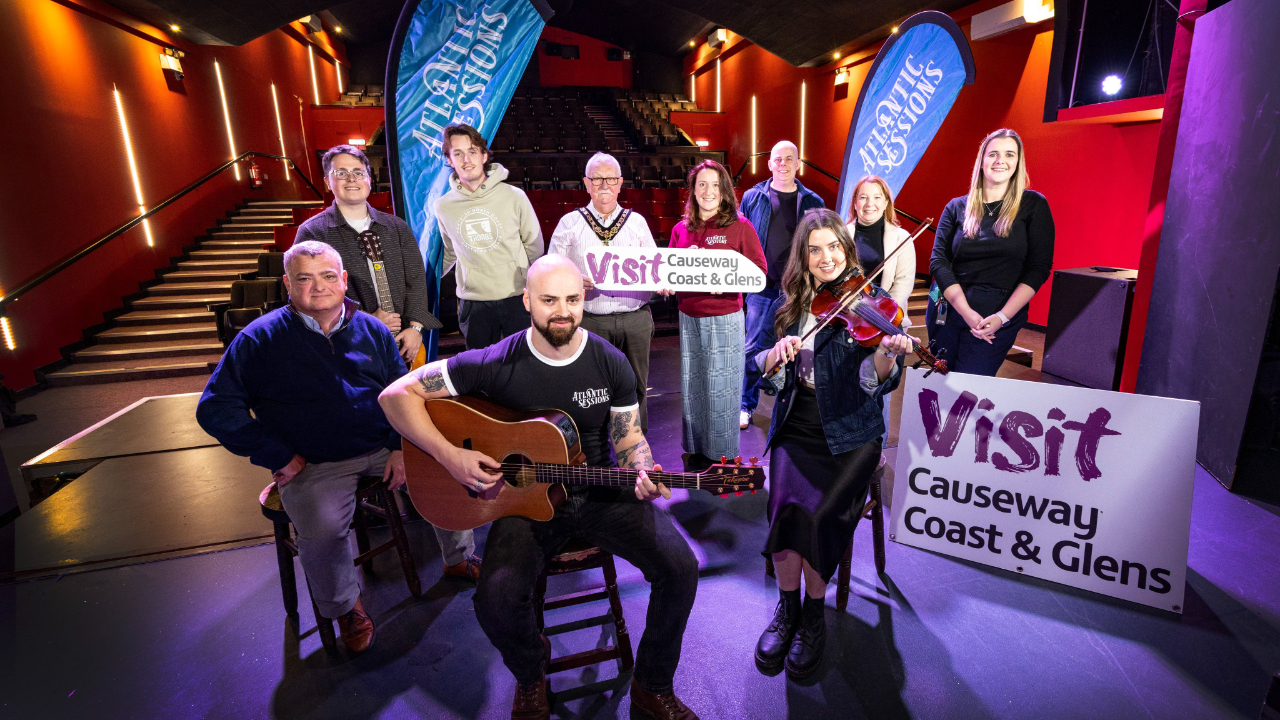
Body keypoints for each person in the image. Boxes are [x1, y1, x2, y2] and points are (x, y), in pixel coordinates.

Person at [379, 255, 701, 720]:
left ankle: (651, 686)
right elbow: (394, 395)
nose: (562, 312)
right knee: (494, 601)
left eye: (572, 299)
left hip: (598, 490)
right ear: (527, 300)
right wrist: (450, 456)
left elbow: (629, 438)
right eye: (549, 300)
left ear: (584, 298)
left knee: (681, 569)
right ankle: (532, 672)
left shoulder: (610, 362)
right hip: (523, 502)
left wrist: (643, 471)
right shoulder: (495, 360)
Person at [195, 241, 481, 654]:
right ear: (287, 284)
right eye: (305, 278)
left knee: (448, 472)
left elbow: (403, 392)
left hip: (381, 444)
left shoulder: (371, 329)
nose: (319, 286)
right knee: (324, 529)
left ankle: (458, 557)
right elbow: (215, 409)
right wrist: (275, 454)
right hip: (315, 461)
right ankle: (345, 607)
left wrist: (399, 445)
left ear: (344, 280)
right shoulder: (259, 339)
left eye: (328, 276)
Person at [751, 209, 911, 680]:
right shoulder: (789, 305)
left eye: (834, 247)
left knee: (819, 514)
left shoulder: (875, 305)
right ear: (803, 256)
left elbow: (872, 383)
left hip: (851, 431)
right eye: (815, 249)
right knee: (786, 506)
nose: (826, 258)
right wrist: (775, 356)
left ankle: (813, 616)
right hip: (797, 426)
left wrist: (886, 355)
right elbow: (757, 363)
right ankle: (787, 610)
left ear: (847, 248)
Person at [295, 144, 439, 365]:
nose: (351, 179)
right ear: (327, 182)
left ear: (369, 180)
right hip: (346, 344)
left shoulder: (396, 227)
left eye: (358, 172)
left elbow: (416, 281)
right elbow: (307, 295)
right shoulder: (313, 232)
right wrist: (364, 320)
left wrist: (416, 328)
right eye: (341, 173)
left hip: (403, 341)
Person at [927, 128, 1054, 376]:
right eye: (993, 154)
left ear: (1018, 162)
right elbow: (938, 262)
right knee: (941, 378)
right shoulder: (956, 206)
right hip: (946, 305)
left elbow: (1039, 268)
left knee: (970, 386)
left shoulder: (1034, 205)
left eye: (1009, 154)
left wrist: (1002, 317)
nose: (1000, 161)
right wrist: (966, 312)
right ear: (982, 160)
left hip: (997, 313)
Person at [668, 160, 768, 472]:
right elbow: (669, 270)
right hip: (688, 317)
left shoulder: (740, 226)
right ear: (693, 190)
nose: (708, 191)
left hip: (724, 317)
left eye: (715, 185)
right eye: (702, 185)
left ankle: (721, 455)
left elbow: (759, 271)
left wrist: (726, 282)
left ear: (724, 191)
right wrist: (666, 283)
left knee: (722, 387)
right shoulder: (680, 230)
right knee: (693, 384)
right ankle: (697, 446)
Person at [548, 152, 657, 433]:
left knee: (637, 386)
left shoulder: (637, 222)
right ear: (586, 183)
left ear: (620, 183)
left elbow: (655, 268)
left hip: (635, 319)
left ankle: (636, 445)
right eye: (597, 179)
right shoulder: (570, 223)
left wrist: (665, 279)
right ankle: (596, 448)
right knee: (592, 390)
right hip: (591, 320)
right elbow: (551, 272)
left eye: (610, 178)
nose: (604, 184)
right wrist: (573, 281)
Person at [738, 141, 826, 429]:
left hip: (797, 290)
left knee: (795, 350)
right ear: (769, 164)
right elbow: (741, 238)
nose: (783, 164)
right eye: (778, 159)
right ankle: (745, 405)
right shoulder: (752, 197)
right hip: (761, 289)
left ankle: (789, 408)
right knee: (753, 349)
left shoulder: (813, 201)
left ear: (798, 163)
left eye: (789, 159)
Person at [435, 123, 544, 350]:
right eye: (458, 153)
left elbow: (534, 246)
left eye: (472, 151)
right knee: (481, 366)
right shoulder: (443, 206)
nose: (466, 160)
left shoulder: (515, 196)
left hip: (516, 297)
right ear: (449, 160)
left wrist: (533, 286)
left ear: (484, 156)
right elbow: (450, 251)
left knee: (523, 361)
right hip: (474, 302)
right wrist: (423, 280)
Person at [847, 175, 916, 311]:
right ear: (855, 203)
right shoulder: (840, 235)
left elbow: (903, 283)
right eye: (863, 197)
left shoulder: (902, 238)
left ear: (886, 203)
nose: (869, 203)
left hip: (886, 314)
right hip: (848, 314)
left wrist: (882, 311)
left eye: (877, 197)